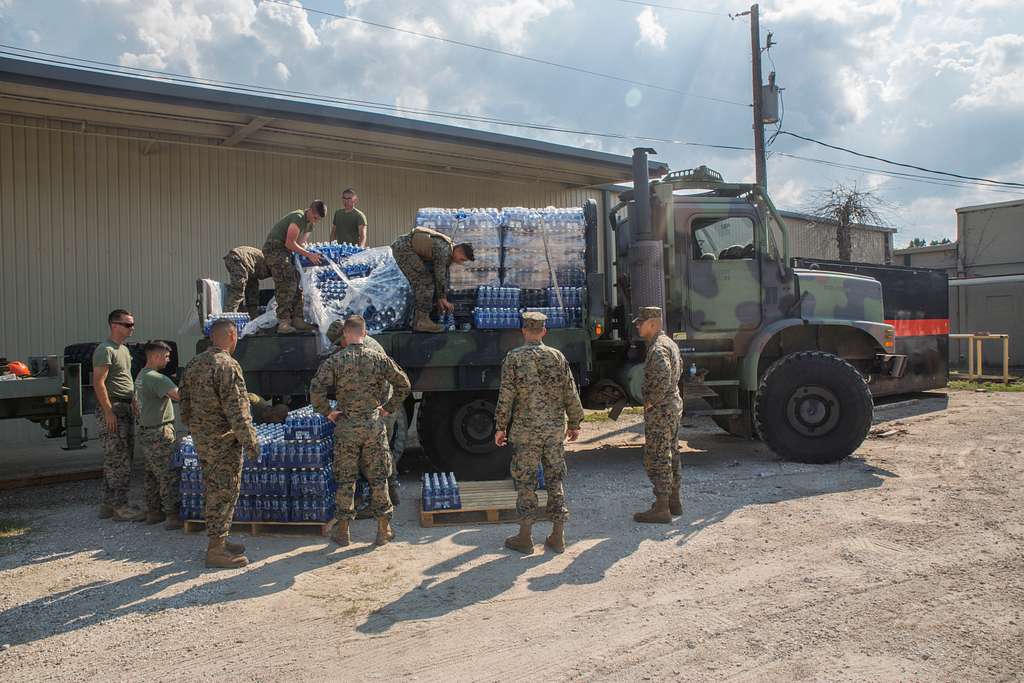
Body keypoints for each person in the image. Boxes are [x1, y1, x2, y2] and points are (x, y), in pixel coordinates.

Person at [310, 315, 410, 547]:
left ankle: (343, 531)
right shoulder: (378, 358)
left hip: (347, 427)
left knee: (346, 480)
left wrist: (328, 412)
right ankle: (383, 530)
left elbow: (316, 388)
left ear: (345, 334)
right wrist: (388, 408)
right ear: (364, 333)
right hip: (373, 426)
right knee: (378, 478)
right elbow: (403, 383)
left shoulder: (336, 361)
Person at [494, 311, 584, 555]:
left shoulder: (513, 358)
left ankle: (525, 538)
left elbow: (506, 396)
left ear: (524, 330)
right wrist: (575, 422)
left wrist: (500, 427)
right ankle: (557, 536)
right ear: (544, 331)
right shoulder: (557, 357)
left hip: (525, 433)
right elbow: (570, 392)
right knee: (555, 481)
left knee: (526, 483)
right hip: (554, 432)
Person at [179, 318, 260, 569]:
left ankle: (220, 540)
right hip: (224, 441)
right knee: (223, 492)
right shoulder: (227, 365)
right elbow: (237, 410)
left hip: (203, 439)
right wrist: (251, 441)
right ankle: (215, 549)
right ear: (233, 336)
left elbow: (184, 403)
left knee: (213, 489)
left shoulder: (194, 363)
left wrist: (196, 429)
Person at [326, 320, 405, 505]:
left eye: (340, 343)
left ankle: (378, 502)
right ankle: (392, 494)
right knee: (383, 452)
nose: (340, 348)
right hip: (382, 405)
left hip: (379, 409)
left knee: (373, 457)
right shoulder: (364, 344)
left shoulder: (365, 353)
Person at [632, 306, 684, 524]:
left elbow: (662, 378)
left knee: (658, 456)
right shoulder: (669, 343)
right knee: (671, 451)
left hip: (661, 409)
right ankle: (674, 501)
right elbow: (678, 371)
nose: (637, 325)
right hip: (671, 405)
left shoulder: (658, 349)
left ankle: (662, 508)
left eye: (640, 322)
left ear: (652, 323)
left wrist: (651, 401)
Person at [93, 309, 145, 522]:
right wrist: (108, 412)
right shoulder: (105, 350)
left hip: (124, 407)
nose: (132, 328)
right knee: (119, 460)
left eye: (132, 324)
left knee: (119, 458)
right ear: (114, 325)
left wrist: (133, 399)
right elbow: (99, 382)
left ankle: (108, 504)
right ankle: (119, 507)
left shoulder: (122, 350)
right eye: (127, 325)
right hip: (113, 409)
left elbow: (125, 379)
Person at [134, 341, 183, 529]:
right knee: (168, 473)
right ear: (155, 356)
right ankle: (172, 515)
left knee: (151, 474)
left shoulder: (141, 375)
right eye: (166, 356)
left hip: (146, 430)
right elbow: (179, 396)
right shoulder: (158, 378)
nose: (169, 359)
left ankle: (154, 511)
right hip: (159, 431)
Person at [390, 227, 474, 333]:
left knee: (427, 279)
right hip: (404, 249)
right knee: (425, 281)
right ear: (457, 250)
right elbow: (440, 275)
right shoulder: (444, 250)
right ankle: (421, 321)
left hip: (405, 247)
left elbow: (442, 277)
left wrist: (440, 298)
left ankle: (417, 320)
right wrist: (442, 298)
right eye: (461, 259)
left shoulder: (448, 251)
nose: (460, 262)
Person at [263, 201, 326, 335]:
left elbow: (300, 244)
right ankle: (283, 321)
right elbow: (290, 242)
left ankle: (297, 318)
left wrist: (312, 253)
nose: (315, 221)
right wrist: (309, 255)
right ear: (310, 211)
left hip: (286, 251)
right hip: (275, 249)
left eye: (318, 220)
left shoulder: (309, 224)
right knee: (287, 280)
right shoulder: (298, 217)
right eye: (315, 217)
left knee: (298, 281)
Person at [223, 246, 271, 318]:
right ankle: (228, 317)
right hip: (238, 259)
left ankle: (253, 316)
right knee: (238, 290)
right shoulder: (273, 263)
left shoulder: (266, 261)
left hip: (248, 266)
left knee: (253, 290)